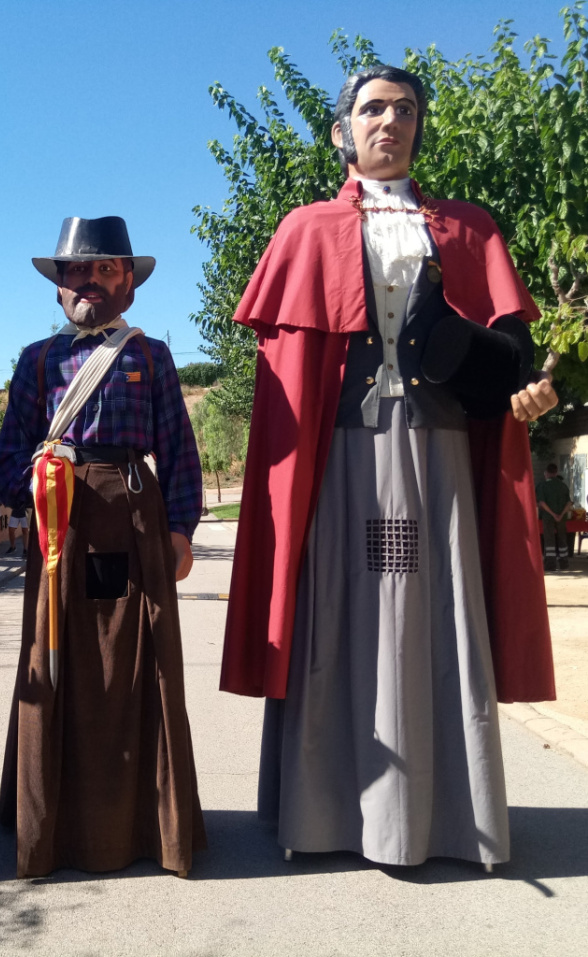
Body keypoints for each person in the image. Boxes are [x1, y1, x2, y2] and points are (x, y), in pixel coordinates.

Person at [220, 65, 557, 870]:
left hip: (441, 454)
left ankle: (448, 817)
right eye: (373, 108)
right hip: (341, 456)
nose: (391, 121)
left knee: (436, 612)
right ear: (341, 130)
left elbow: (510, 354)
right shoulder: (305, 229)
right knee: (335, 610)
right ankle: (323, 809)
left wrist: (529, 390)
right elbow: (286, 382)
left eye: (406, 109)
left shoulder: (470, 229)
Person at [0, 216, 206, 878]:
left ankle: (149, 826)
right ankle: (50, 829)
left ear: (128, 284)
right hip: (59, 528)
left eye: (104, 268)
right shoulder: (36, 360)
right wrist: (31, 488)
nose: (88, 280)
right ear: (59, 286)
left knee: (140, 659)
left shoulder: (151, 356)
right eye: (75, 271)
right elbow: (8, 455)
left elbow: (178, 449)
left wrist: (180, 529)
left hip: (136, 524)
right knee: (55, 659)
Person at [536, 463, 574, 571]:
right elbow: (569, 503)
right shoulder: (563, 486)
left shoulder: (542, 485)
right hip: (562, 517)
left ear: (546, 473)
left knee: (549, 540)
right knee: (562, 538)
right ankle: (564, 563)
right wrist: (560, 515)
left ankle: (550, 564)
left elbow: (542, 503)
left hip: (548, 517)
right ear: (556, 472)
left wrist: (552, 514)